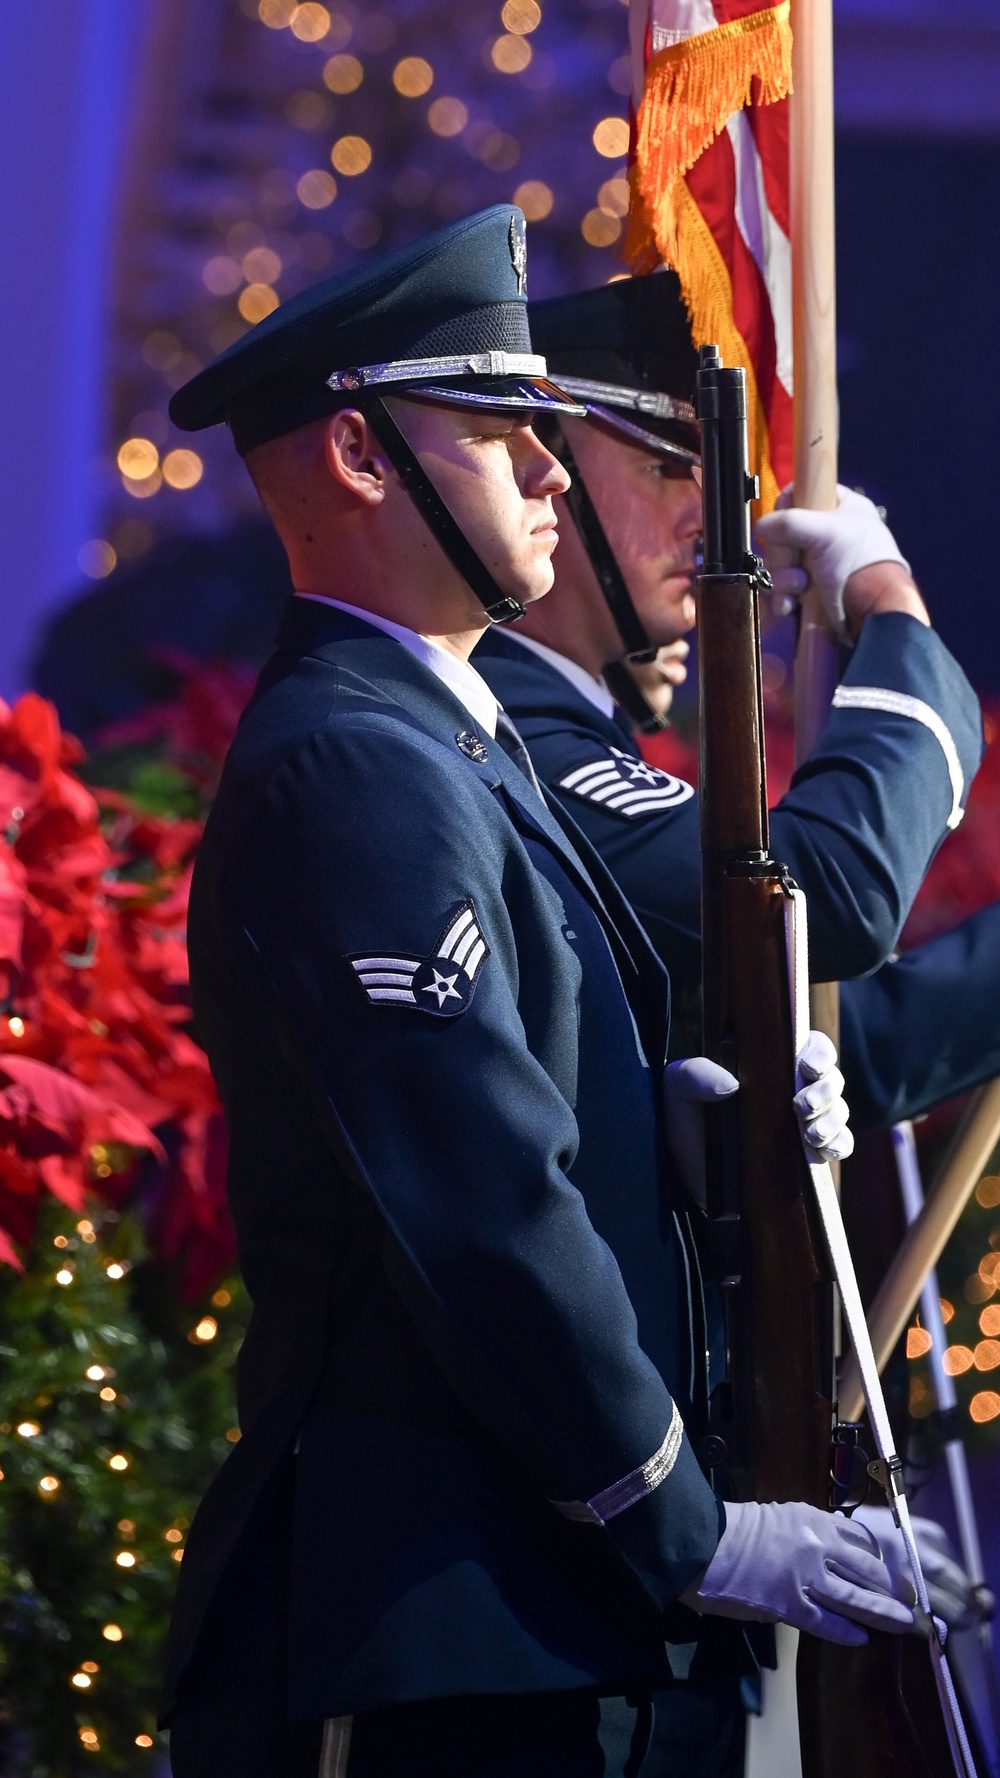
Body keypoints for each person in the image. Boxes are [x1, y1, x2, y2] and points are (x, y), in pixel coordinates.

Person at [158, 210, 909, 1778]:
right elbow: (477, 1198)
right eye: (503, 433)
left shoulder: (445, 745)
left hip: (540, 1610)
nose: (555, 467)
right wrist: (690, 1527)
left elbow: (529, 1106)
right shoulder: (357, 762)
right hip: (450, 1627)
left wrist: (674, 1140)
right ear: (364, 457)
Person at [473, 273, 999, 1126]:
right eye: (663, 467)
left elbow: (858, 1042)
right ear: (543, 468)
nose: (706, 518)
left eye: (710, 478)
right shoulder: (516, 736)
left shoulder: (567, 723)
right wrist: (892, 604)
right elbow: (831, 896)